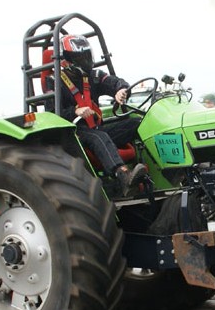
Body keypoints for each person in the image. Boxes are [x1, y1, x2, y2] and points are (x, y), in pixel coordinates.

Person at [45, 35, 148, 195]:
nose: (86, 61)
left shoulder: (94, 76)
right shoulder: (54, 81)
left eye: (87, 56)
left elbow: (114, 82)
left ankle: (156, 171)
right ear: (67, 60)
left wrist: (121, 90)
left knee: (137, 123)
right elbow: (52, 113)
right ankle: (124, 177)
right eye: (80, 58)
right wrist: (75, 111)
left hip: (96, 128)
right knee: (99, 137)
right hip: (74, 133)